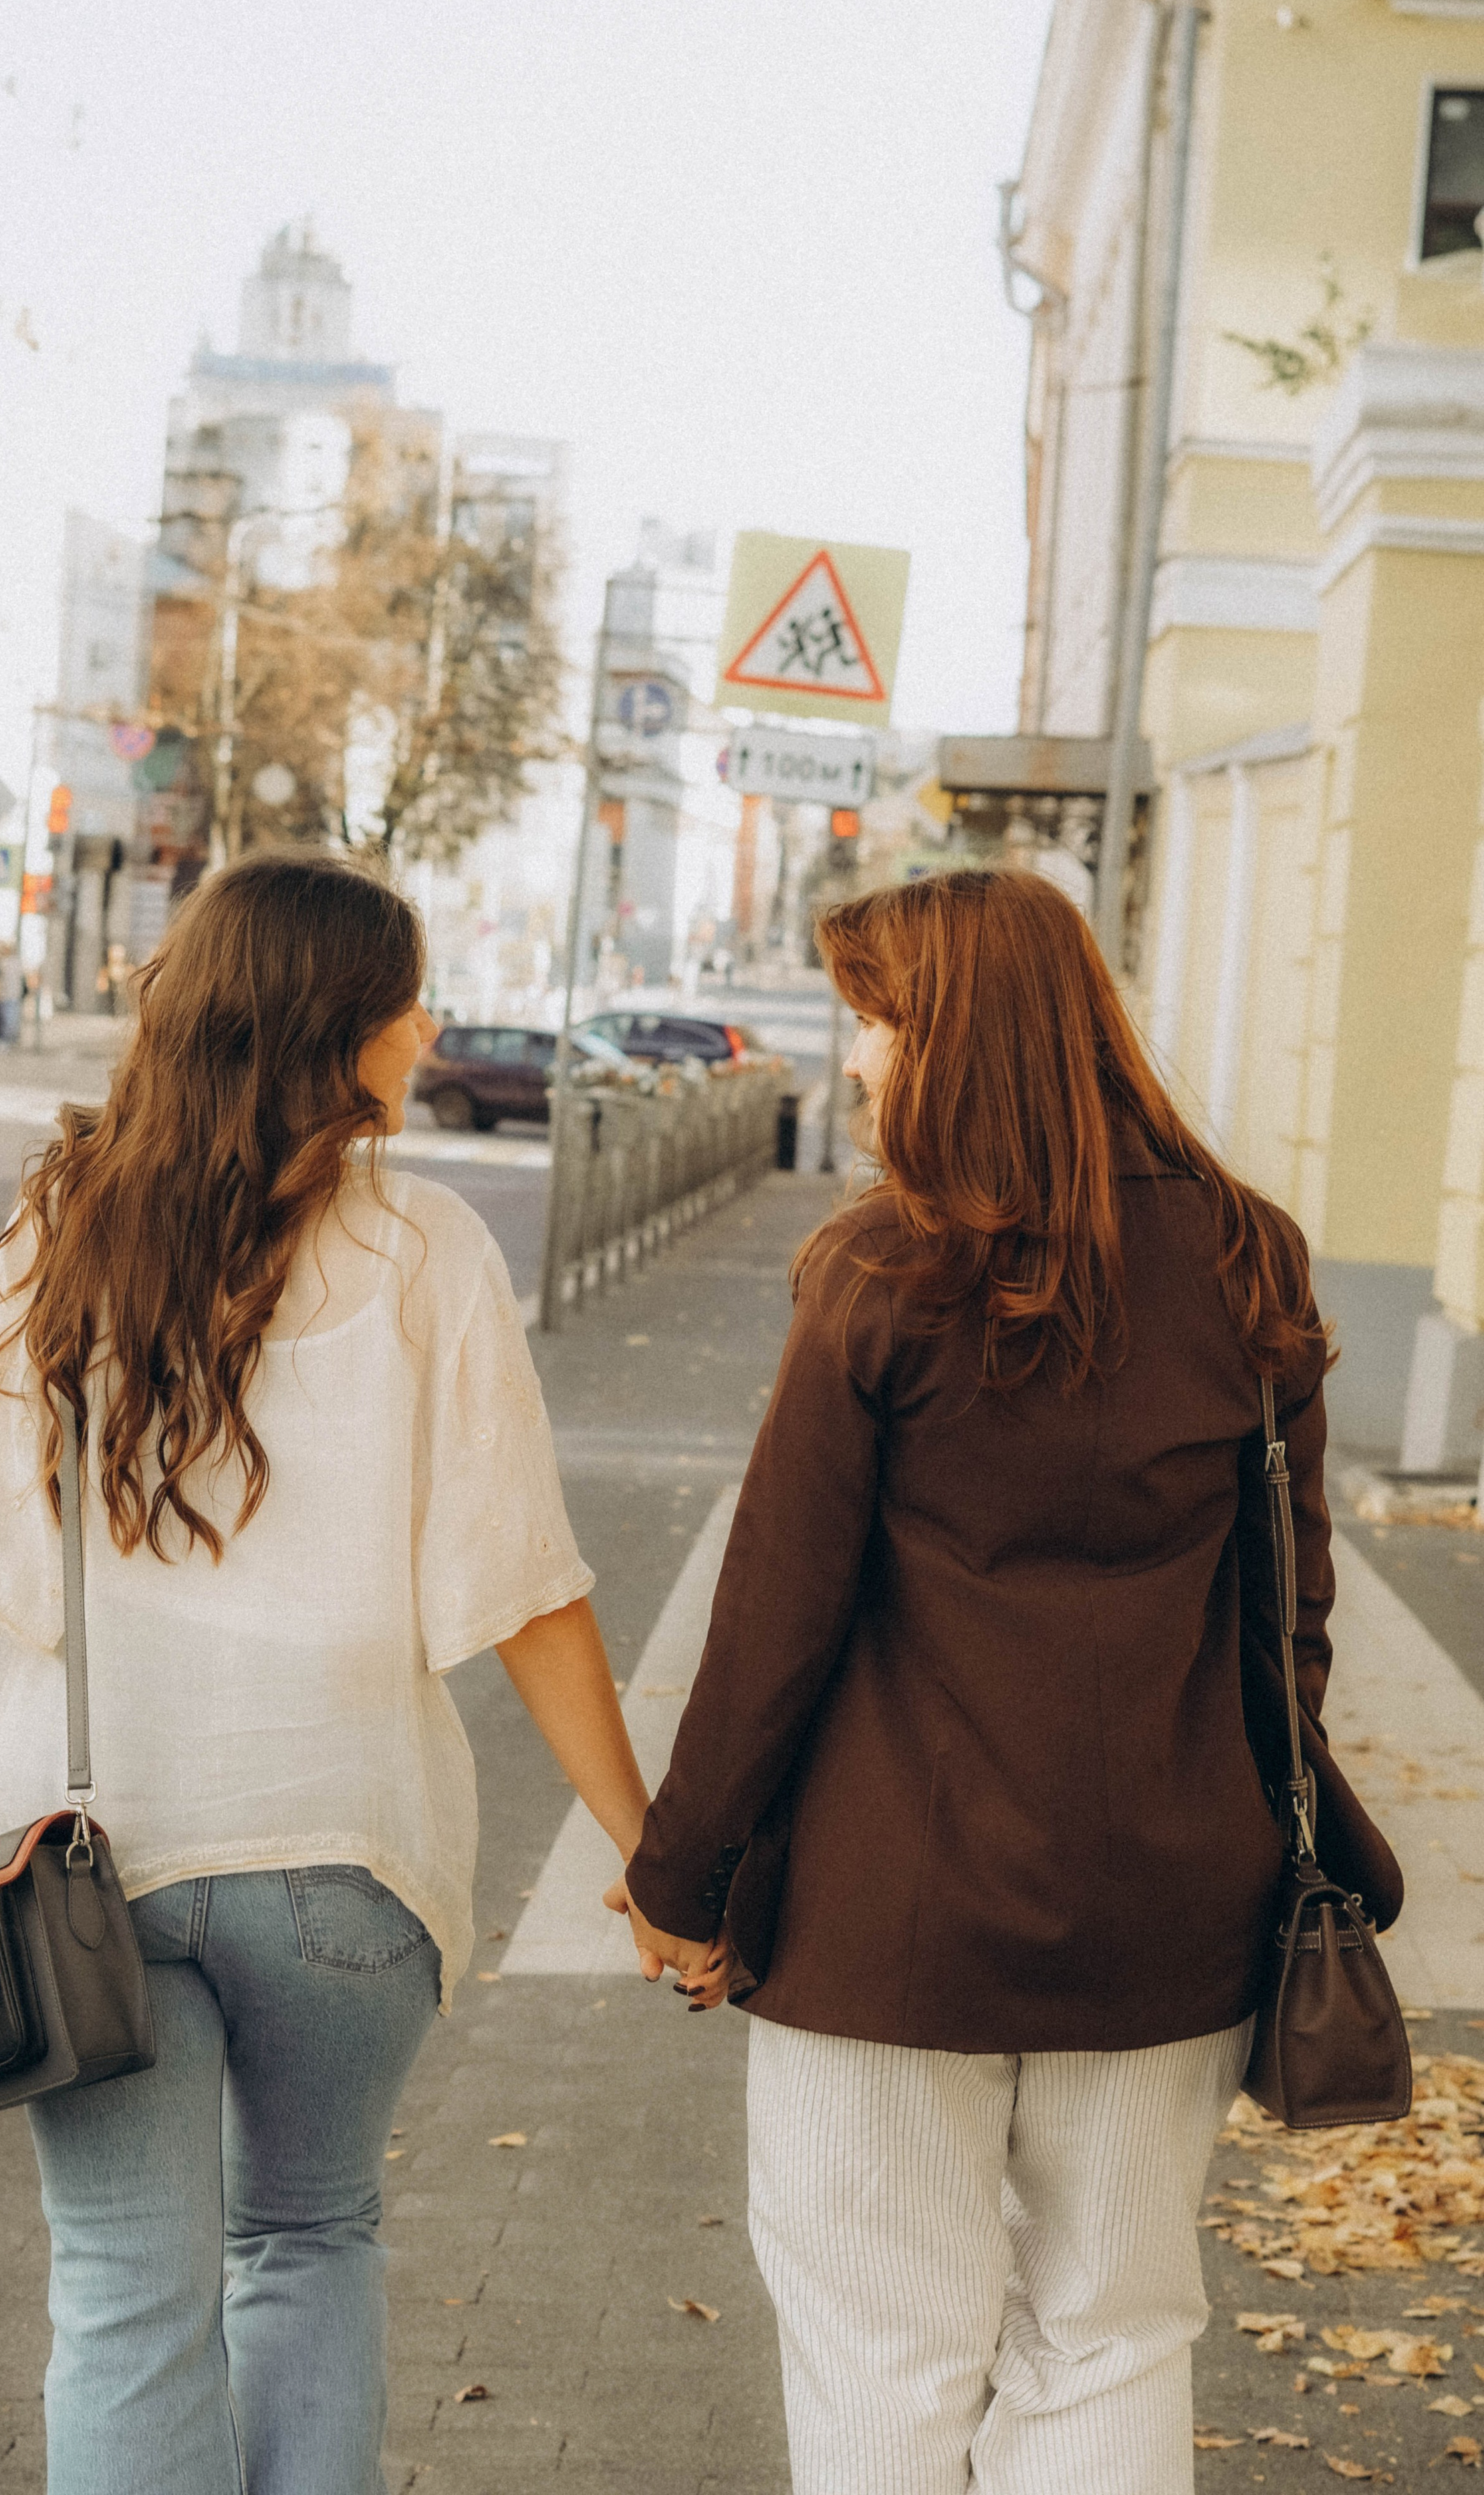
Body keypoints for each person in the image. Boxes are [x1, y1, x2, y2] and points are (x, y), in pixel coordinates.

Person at [0, 852, 659, 2495]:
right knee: (309, 2233)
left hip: (79, 1857)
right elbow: (526, 1594)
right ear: (334, 1029)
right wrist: (648, 1854)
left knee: (120, 2292)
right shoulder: (426, 1251)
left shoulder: (61, 1231)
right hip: (345, 1853)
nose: (428, 1017)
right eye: (405, 996)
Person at [613, 869, 1399, 2495]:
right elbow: (1286, 1614)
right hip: (1168, 1907)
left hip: (881, 1919)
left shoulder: (882, 1275)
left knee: (882, 2348)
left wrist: (677, 1878)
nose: (854, 1065)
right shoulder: (1248, 1257)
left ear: (953, 1037)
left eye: (877, 1025)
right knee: (1109, 2331)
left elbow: (774, 1616)